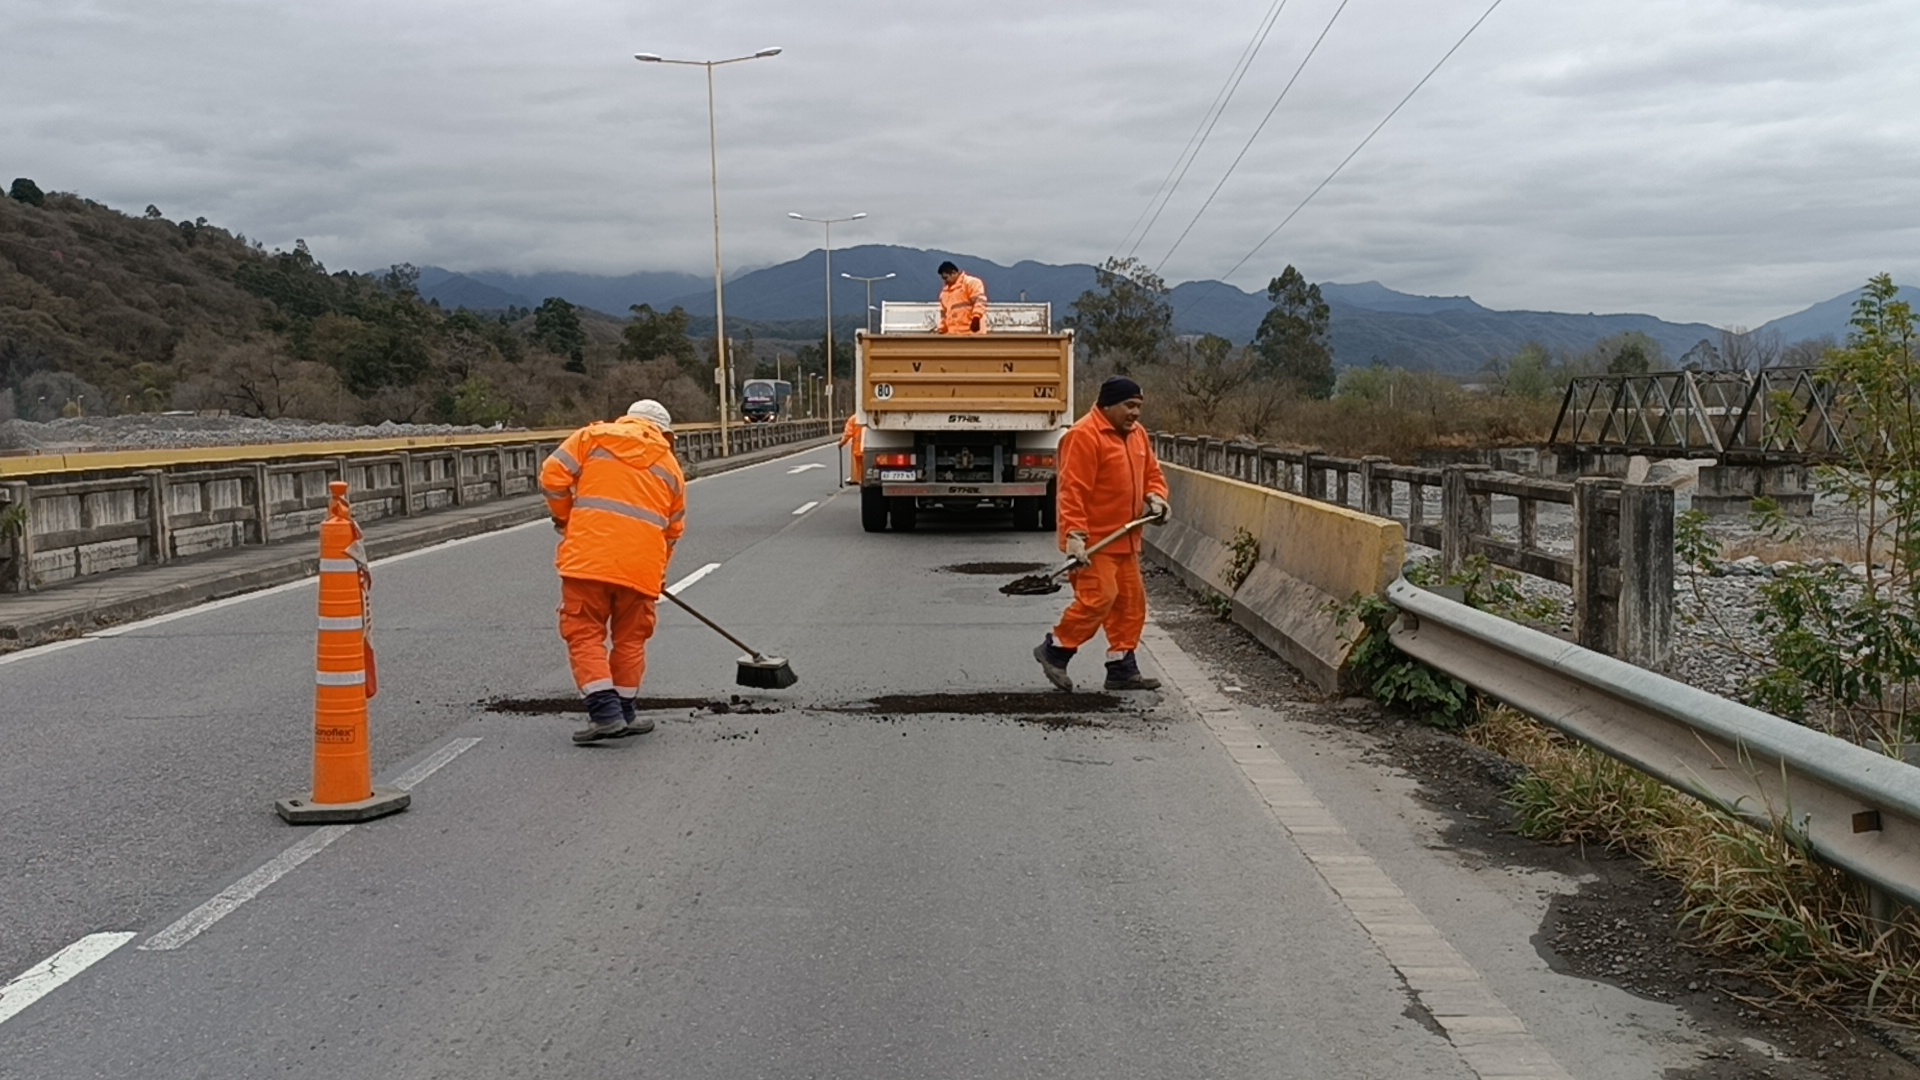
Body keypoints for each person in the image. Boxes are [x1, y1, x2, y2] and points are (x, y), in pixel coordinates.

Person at [541, 399, 687, 743]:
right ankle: (625, 711)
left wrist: (565, 518)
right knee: (631, 639)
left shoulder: (592, 438)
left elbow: (552, 476)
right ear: (664, 433)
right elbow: (673, 530)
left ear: (627, 419)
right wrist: (657, 573)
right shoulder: (670, 467)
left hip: (588, 559)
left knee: (585, 632)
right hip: (640, 569)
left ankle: (606, 715)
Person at [1033, 376, 1171, 692]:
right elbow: (1072, 492)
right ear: (1108, 405)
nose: (1135, 413)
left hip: (1126, 539)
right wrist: (1075, 537)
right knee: (1099, 599)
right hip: (1095, 544)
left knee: (1130, 605)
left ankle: (1122, 668)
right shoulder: (1084, 436)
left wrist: (1156, 497)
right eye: (1129, 406)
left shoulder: (1137, 436)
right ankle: (1055, 650)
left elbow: (1153, 474)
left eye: (1138, 406)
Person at [936, 260, 988, 334]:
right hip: (954, 336)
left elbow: (980, 301)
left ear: (953, 273)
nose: (945, 281)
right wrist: (942, 329)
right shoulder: (944, 294)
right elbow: (944, 315)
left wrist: (976, 318)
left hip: (972, 334)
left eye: (946, 277)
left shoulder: (971, 283)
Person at [839, 412, 865, 486]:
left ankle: (861, 482)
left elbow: (847, 434)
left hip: (858, 449)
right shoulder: (869, 417)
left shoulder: (853, 419)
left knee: (859, 467)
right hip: (869, 447)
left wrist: (841, 443)